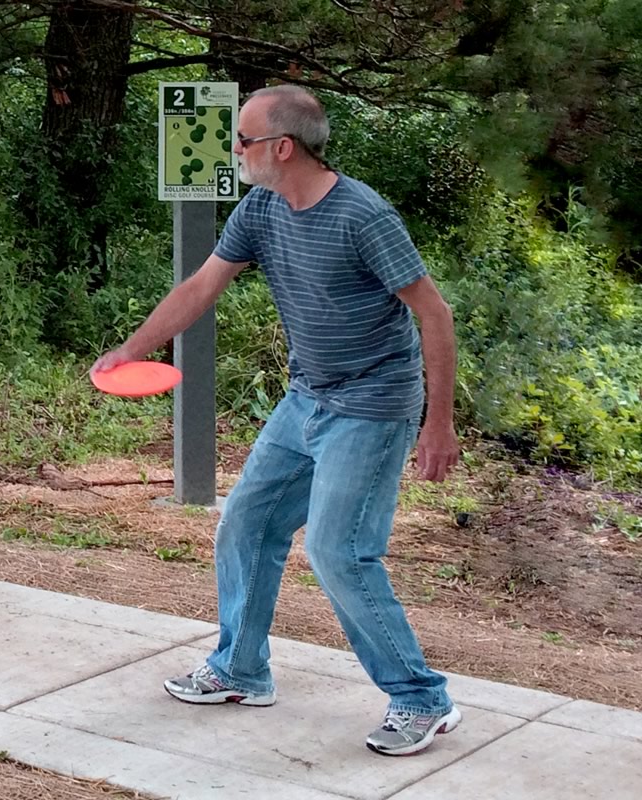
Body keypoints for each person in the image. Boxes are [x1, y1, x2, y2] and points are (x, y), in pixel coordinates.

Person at [91, 84, 461, 757]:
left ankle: (421, 698)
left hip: (374, 404)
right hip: (306, 399)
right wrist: (132, 350)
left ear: (282, 147)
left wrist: (439, 424)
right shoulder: (260, 208)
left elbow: (433, 313)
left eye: (244, 139)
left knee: (338, 551)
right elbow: (200, 285)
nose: (234, 150)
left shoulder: (362, 216)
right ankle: (239, 670)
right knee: (246, 523)